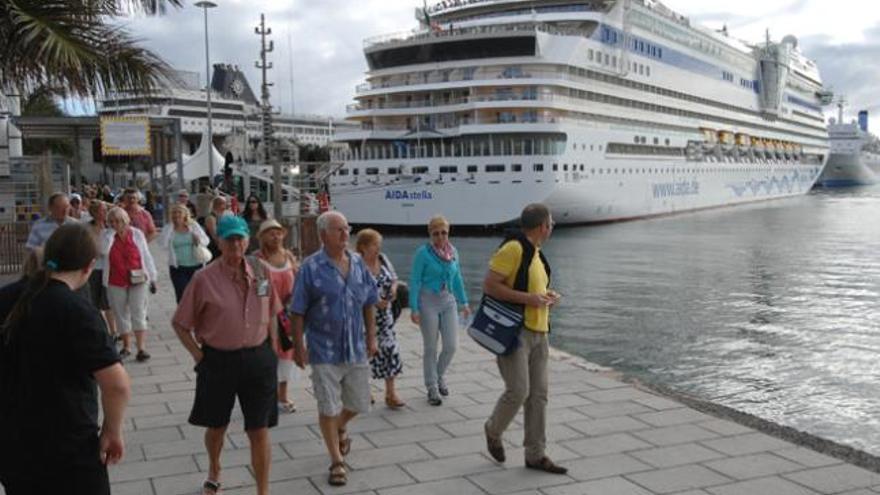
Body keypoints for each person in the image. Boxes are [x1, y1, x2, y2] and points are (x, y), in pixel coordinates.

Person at [0, 224, 131, 494]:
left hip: (12, 444)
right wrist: (112, 430)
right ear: (89, 266)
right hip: (68, 446)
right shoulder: (77, 310)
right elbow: (116, 385)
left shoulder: (6, 297)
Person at [171, 215, 281, 495]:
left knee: (259, 429)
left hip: (258, 359)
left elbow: (272, 313)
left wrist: (273, 350)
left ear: (248, 240)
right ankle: (214, 467)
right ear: (218, 241)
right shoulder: (203, 278)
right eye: (229, 238)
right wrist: (199, 356)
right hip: (218, 361)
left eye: (240, 238)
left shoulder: (261, 271)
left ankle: (263, 491)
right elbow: (180, 323)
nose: (235, 243)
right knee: (217, 426)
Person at [290, 211, 378, 487]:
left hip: (355, 346)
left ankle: (340, 426)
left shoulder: (358, 264)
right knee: (327, 406)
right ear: (323, 235)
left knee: (360, 402)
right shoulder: (310, 267)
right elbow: (297, 310)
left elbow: (369, 302)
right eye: (339, 230)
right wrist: (298, 345)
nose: (345, 235)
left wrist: (372, 337)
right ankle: (336, 460)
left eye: (347, 229)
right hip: (323, 348)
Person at [482, 203, 566, 474]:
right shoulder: (514, 249)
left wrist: (547, 296)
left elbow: (532, 289)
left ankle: (535, 454)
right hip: (515, 333)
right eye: (550, 223)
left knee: (539, 395)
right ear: (543, 226)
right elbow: (490, 285)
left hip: (540, 332)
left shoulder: (537, 254)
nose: (551, 227)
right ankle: (493, 430)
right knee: (519, 390)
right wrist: (530, 299)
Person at [409, 215, 469, 406]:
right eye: (436, 234)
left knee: (451, 346)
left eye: (444, 233)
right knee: (431, 347)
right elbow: (415, 281)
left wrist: (464, 302)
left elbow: (457, 278)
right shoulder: (423, 253)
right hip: (428, 301)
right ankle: (432, 387)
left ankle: (439, 374)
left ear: (448, 233)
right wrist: (414, 308)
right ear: (430, 234)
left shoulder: (453, 252)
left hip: (448, 300)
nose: (440, 237)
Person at [355, 228, 405, 409]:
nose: (378, 248)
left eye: (378, 244)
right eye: (374, 245)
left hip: (386, 316)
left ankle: (391, 393)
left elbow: (394, 279)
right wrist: (375, 301)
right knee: (366, 354)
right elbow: (354, 290)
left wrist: (393, 289)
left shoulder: (383, 259)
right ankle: (365, 390)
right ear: (363, 247)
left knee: (391, 351)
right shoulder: (357, 265)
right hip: (364, 318)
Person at [254, 219, 299, 414]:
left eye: (278, 232)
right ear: (262, 237)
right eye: (270, 233)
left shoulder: (288, 256)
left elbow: (298, 281)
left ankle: (282, 394)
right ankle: (265, 394)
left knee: (287, 354)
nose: (275, 236)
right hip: (267, 315)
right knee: (268, 354)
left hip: (287, 315)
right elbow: (260, 290)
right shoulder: (257, 260)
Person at [103, 207, 158, 362]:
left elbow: (146, 255)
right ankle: (126, 346)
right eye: (112, 221)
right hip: (115, 280)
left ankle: (141, 348)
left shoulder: (137, 234)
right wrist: (110, 236)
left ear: (126, 220)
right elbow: (102, 251)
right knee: (120, 314)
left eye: (119, 221)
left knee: (138, 311)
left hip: (138, 278)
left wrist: (153, 276)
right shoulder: (107, 236)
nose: (116, 224)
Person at [160, 204, 210, 302]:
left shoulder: (193, 225)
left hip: (196, 266)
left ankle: (196, 316)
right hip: (178, 267)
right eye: (174, 212)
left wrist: (198, 240)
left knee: (197, 294)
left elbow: (206, 240)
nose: (176, 215)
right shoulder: (168, 228)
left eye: (179, 212)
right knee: (182, 294)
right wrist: (169, 232)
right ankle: (183, 316)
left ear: (185, 214)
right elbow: (162, 245)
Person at [86, 200, 118, 339]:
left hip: (109, 268)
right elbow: (87, 247)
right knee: (94, 301)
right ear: (93, 212)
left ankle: (114, 331)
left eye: (105, 210)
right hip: (93, 268)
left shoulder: (112, 227)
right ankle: (102, 330)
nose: (104, 213)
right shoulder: (86, 227)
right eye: (101, 210)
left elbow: (106, 250)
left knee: (107, 301)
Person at [204, 196, 228, 260]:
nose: (225, 207)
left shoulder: (222, 216)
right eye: (224, 204)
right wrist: (222, 247)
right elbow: (214, 235)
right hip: (214, 247)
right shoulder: (211, 218)